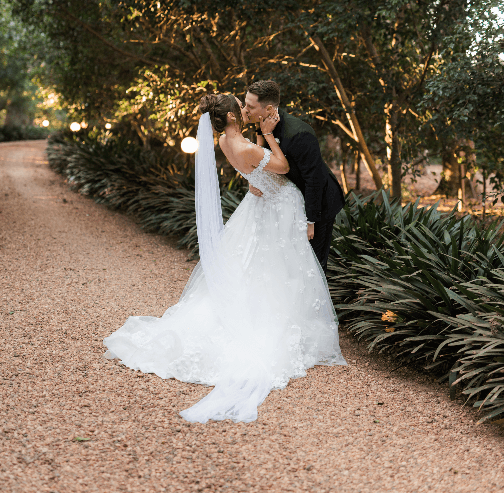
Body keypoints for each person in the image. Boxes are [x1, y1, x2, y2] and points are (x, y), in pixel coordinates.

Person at [103, 93, 346, 424]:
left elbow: (253, 172)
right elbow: (284, 167)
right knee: (279, 270)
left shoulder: (223, 141)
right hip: (279, 208)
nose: (245, 111)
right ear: (232, 118)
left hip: (261, 203)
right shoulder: (246, 146)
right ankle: (283, 320)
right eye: (240, 108)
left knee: (259, 268)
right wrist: (270, 137)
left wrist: (253, 179)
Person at [244, 80, 346, 273]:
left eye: (250, 106)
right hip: (291, 200)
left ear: (268, 109)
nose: (246, 109)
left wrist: (310, 221)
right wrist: (254, 181)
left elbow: (314, 181)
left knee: (313, 265)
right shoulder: (262, 123)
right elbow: (260, 158)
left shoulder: (299, 133)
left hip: (319, 203)